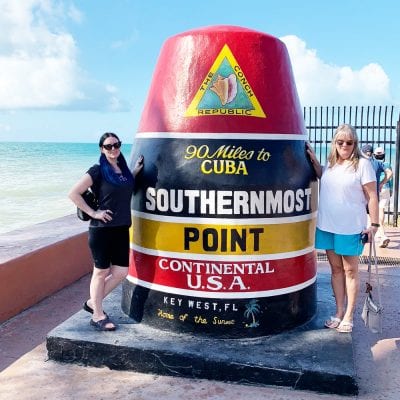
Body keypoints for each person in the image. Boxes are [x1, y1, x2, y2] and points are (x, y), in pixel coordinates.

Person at [306, 124, 379, 334]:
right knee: (336, 270)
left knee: (350, 271)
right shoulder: (331, 164)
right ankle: (339, 312)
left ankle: (349, 315)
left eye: (349, 142)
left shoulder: (363, 164)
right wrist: (314, 161)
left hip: (350, 227)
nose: (345, 146)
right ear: (334, 144)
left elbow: (372, 196)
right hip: (327, 225)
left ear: (354, 144)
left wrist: (374, 225)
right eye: (340, 142)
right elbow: (325, 178)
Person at [69, 133, 144, 331]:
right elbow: (73, 193)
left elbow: (126, 187)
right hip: (101, 230)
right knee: (101, 272)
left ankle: (94, 302)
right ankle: (97, 315)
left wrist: (135, 171)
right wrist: (94, 212)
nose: (113, 149)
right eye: (108, 146)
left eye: (116, 145)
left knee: (121, 272)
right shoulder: (97, 171)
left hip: (121, 228)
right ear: (102, 149)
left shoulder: (123, 171)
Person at [373, 146, 393, 247]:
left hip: (377, 189)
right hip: (386, 189)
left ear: (374, 155)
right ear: (384, 155)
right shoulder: (387, 164)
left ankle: (382, 234)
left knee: (375, 212)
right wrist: (391, 189)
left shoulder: (374, 164)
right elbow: (390, 176)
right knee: (381, 210)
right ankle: (380, 233)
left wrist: (380, 183)